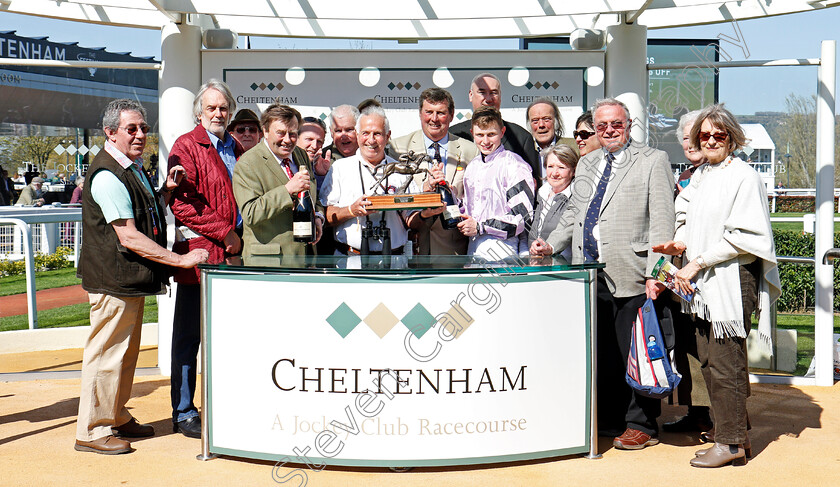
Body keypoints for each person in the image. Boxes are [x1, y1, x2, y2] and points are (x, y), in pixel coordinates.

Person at [75, 98, 208, 455]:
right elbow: (129, 235)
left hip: (125, 279)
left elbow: (142, 212)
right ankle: (92, 430)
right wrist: (180, 261)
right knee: (106, 355)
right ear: (110, 132)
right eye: (131, 129)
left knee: (125, 353)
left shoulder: (128, 168)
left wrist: (165, 190)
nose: (139, 135)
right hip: (112, 279)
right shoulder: (107, 173)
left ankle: (116, 416)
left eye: (143, 128)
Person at [541, 98, 675, 450]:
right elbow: (573, 216)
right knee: (607, 355)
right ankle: (615, 418)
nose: (609, 131)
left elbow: (663, 221)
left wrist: (656, 273)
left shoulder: (652, 160)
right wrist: (550, 245)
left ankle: (642, 425)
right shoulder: (587, 164)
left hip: (633, 273)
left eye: (616, 124)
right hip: (591, 274)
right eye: (602, 126)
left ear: (629, 125)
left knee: (638, 353)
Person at [653, 103, 781, 468]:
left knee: (726, 362)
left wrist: (696, 262)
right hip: (702, 285)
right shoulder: (703, 175)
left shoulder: (744, 176)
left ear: (732, 137)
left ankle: (731, 442)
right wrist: (678, 243)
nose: (709, 140)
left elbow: (744, 236)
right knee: (711, 362)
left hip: (729, 280)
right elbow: (685, 214)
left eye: (717, 134)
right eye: (702, 135)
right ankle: (732, 433)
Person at [167, 79, 244, 439]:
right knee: (189, 337)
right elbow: (181, 202)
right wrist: (224, 233)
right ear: (199, 112)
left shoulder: (236, 146)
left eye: (223, 107)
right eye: (211, 107)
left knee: (226, 336)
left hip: (234, 257)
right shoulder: (186, 145)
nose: (218, 113)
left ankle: (222, 404)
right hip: (202, 258)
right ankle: (183, 411)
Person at [661, 109, 714, 435]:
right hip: (680, 276)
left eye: (696, 135)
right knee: (687, 345)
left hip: (709, 274)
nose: (690, 142)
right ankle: (697, 413)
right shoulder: (682, 176)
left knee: (713, 350)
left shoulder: (722, 173)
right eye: (685, 137)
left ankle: (724, 418)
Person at [321, 106, 423, 255]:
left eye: (377, 134)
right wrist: (351, 210)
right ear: (357, 135)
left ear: (387, 136)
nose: (371, 140)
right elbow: (326, 215)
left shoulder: (402, 171)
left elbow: (413, 220)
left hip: (393, 261)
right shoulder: (339, 168)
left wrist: (426, 214)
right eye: (365, 133)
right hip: (349, 260)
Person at [389, 87, 478, 255]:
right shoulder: (398, 148)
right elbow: (394, 195)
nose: (434, 119)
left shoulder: (470, 150)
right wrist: (424, 190)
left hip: (453, 249)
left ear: (451, 115)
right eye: (429, 112)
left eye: (441, 113)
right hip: (411, 247)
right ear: (420, 114)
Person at [233, 104, 324, 258]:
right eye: (281, 133)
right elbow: (250, 213)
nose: (287, 140)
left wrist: (317, 216)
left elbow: (312, 193)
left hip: (305, 258)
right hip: (270, 262)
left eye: (293, 134)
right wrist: (287, 190)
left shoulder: (300, 155)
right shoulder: (248, 163)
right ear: (265, 132)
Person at [458, 106, 535, 259]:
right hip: (473, 249)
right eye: (480, 135)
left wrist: (481, 227)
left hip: (503, 251)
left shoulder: (514, 165)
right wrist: (451, 197)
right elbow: (468, 212)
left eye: (491, 134)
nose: (485, 141)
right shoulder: (472, 166)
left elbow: (522, 218)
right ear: (472, 134)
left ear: (502, 132)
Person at [450, 73, 541, 185]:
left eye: (493, 93)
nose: (488, 99)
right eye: (482, 92)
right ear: (470, 95)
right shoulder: (454, 135)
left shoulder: (521, 138)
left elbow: (533, 185)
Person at [527, 144, 578, 260]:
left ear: (573, 171)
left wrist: (550, 247)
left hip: (563, 265)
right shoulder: (541, 195)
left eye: (561, 167)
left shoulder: (577, 197)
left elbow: (567, 229)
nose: (554, 173)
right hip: (537, 264)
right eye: (550, 166)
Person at [526, 97, 577, 176]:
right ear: (529, 124)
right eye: (535, 120)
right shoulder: (524, 151)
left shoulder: (575, 147)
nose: (541, 125)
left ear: (556, 121)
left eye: (546, 119)